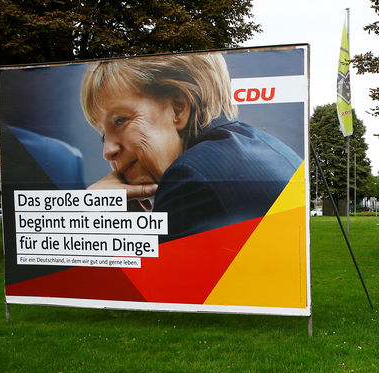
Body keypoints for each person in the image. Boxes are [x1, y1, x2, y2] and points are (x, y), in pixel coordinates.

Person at [80, 53, 301, 241]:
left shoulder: (191, 179)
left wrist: (91, 219)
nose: (107, 151)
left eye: (120, 121)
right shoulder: (263, 146)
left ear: (178, 108)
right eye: (103, 136)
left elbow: (149, 289)